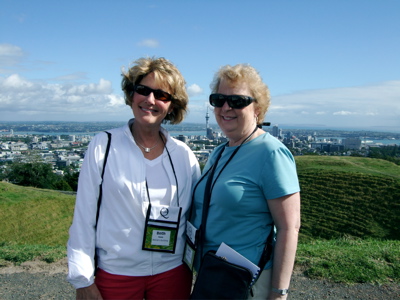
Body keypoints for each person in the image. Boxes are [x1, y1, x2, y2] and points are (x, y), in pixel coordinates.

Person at [67, 57, 200, 300]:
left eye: (162, 95)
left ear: (172, 106)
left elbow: (195, 217)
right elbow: (84, 218)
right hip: (117, 273)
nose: (150, 100)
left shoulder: (183, 155)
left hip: (172, 272)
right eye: (143, 90)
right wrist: (83, 280)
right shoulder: (104, 146)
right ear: (131, 95)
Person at [190, 64, 301, 299]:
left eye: (238, 101)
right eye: (219, 99)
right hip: (212, 274)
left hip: (246, 282)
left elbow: (289, 228)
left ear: (258, 109)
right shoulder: (218, 152)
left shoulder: (270, 153)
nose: (226, 107)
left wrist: (278, 293)